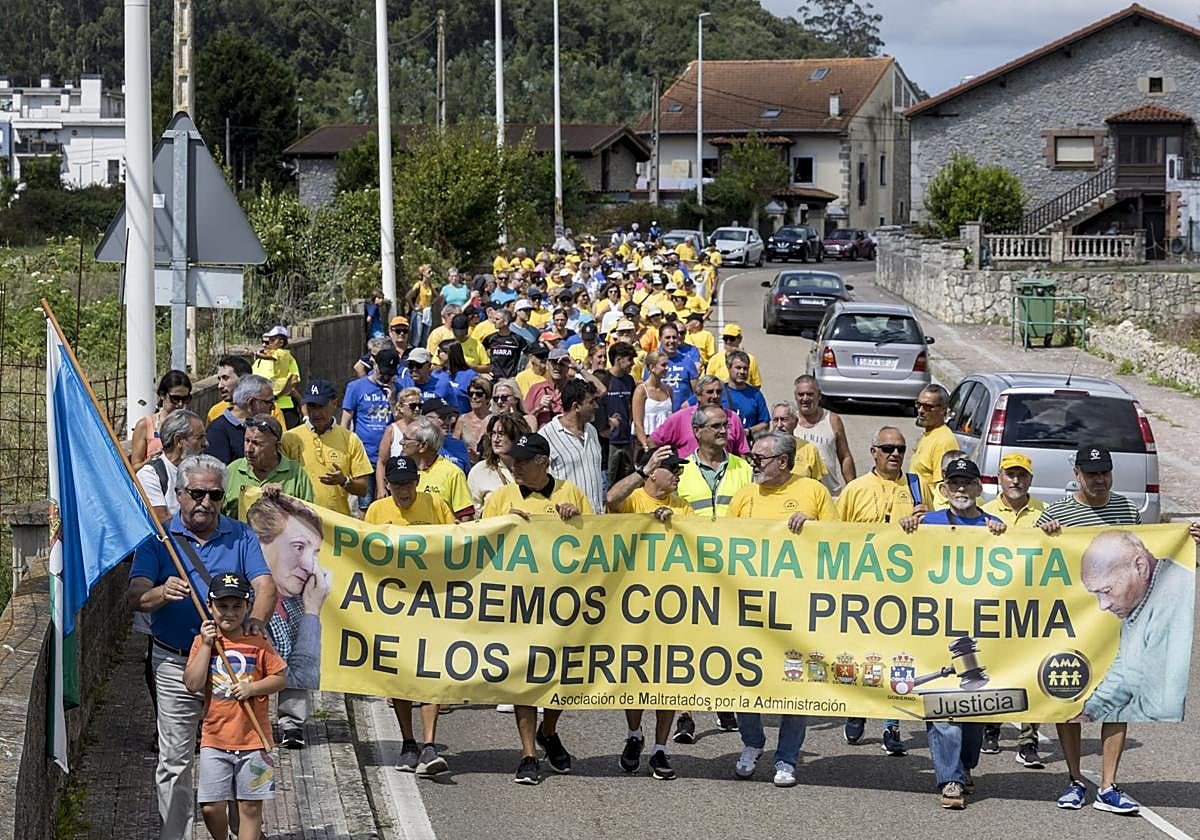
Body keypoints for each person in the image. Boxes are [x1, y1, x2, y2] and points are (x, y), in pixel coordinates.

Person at [127, 454, 276, 840]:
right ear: (179, 495)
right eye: (196, 494)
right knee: (175, 760)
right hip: (176, 662)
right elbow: (136, 593)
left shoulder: (241, 535)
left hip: (232, 665)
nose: (205, 503)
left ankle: (240, 832)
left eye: (213, 495)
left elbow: (263, 584)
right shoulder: (158, 538)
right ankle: (174, 836)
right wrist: (160, 592)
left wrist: (255, 624)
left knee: (238, 751)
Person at [1035, 445, 1145, 815]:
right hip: (1070, 624)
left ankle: (1109, 785)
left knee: (1117, 702)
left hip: (1115, 625)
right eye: (1091, 473)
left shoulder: (1127, 510)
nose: (1099, 480)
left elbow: (1148, 555)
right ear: (1077, 475)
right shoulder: (1057, 513)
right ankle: (1074, 778)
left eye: (1105, 473)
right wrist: (1045, 534)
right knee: (1070, 699)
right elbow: (1028, 562)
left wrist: (1188, 538)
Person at [481, 433, 591, 785]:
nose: (516, 465)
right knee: (525, 681)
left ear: (544, 462)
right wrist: (501, 526)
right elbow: (479, 545)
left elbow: (599, 542)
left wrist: (576, 521)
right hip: (519, 604)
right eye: (514, 459)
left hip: (562, 603)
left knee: (560, 677)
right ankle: (529, 754)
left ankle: (549, 729)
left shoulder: (571, 493)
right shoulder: (501, 497)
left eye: (524, 460)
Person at [728, 432, 835, 787]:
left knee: (796, 684)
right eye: (753, 457)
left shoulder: (814, 493)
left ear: (783, 462)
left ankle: (787, 758)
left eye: (760, 458)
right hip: (751, 607)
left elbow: (841, 545)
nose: (753, 463)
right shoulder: (745, 495)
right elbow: (723, 541)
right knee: (745, 680)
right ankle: (752, 742)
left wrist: (813, 527)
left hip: (798, 608)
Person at [903, 457, 1003, 810]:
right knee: (943, 709)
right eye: (954, 483)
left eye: (968, 483)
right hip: (933, 630)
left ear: (979, 488)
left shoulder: (996, 527)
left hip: (978, 632)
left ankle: (963, 766)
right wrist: (903, 529)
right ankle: (949, 781)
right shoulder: (925, 523)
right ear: (943, 489)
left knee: (972, 711)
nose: (961, 489)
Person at [835, 426, 928, 756]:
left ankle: (892, 724)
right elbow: (834, 536)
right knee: (860, 655)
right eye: (887, 448)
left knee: (897, 659)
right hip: (861, 590)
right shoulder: (856, 489)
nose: (895, 454)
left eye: (901, 449)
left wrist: (926, 519)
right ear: (873, 451)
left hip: (902, 591)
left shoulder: (918, 487)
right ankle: (857, 710)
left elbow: (937, 536)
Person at [365, 455, 455, 776]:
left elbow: (457, 544)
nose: (403, 490)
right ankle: (408, 742)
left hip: (431, 602)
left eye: (408, 483)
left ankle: (430, 745)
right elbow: (365, 555)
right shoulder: (376, 511)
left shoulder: (436, 505)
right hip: (393, 606)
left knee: (430, 670)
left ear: (417, 482)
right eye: (397, 484)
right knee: (400, 674)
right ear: (387, 484)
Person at [606, 446, 691, 781]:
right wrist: (641, 471)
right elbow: (611, 501)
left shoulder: (683, 506)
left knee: (667, 678)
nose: (677, 475)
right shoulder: (636, 498)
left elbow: (703, 541)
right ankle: (634, 733)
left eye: (679, 470)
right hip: (636, 603)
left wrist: (675, 527)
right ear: (654, 471)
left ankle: (660, 748)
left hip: (672, 604)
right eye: (671, 469)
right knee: (636, 674)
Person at [183, 571, 286, 840]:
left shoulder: (258, 642)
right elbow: (192, 684)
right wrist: (207, 644)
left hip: (254, 740)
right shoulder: (203, 642)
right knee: (210, 807)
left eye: (237, 606)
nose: (229, 613)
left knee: (250, 808)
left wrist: (253, 688)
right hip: (215, 740)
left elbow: (279, 678)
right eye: (222, 606)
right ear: (210, 606)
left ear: (247, 607)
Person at [245, 494, 330, 749]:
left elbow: (304, 672)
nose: (308, 564)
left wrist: (311, 612)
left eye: (313, 552)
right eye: (298, 547)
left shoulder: (298, 599)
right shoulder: (240, 599)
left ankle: (291, 723)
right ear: (262, 541)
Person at [979, 452, 1047, 765]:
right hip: (993, 603)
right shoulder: (985, 512)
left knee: (1030, 672)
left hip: (1030, 605)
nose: (1015, 480)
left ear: (1030, 479)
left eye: (1021, 475)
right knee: (992, 668)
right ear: (1000, 478)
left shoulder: (1044, 514)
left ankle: (1028, 739)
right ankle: (990, 727)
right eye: (1010, 474)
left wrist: (1055, 535)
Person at [281, 379, 373, 516]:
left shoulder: (350, 439)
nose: (316, 413)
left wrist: (344, 481)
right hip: (300, 522)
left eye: (321, 406)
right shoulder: (289, 438)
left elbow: (363, 489)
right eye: (311, 406)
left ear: (334, 404)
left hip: (336, 524)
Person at [222, 414, 315, 519]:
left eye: (257, 444)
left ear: (277, 447)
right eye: (247, 441)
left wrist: (282, 500)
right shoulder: (232, 471)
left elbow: (310, 518)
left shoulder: (295, 474)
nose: (249, 449)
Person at [540, 378, 605, 514]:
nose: (596, 407)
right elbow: (539, 482)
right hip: (566, 524)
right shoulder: (546, 435)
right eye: (591, 402)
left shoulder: (592, 431)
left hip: (596, 522)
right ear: (576, 406)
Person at [651, 375, 750, 458]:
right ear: (698, 395)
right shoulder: (680, 418)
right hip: (690, 477)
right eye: (710, 392)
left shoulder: (733, 418)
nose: (715, 396)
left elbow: (742, 452)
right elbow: (653, 441)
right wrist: (666, 466)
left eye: (719, 392)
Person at [396, 417, 474, 521]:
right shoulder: (400, 470)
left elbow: (465, 516)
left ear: (423, 446)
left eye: (406, 439)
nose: (401, 442)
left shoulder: (452, 473)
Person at [137, 409, 207, 522]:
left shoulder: (200, 471)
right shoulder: (150, 475)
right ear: (178, 440)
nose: (206, 444)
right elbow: (163, 523)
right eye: (199, 438)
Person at [792, 374, 855, 494]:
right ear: (795, 396)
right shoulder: (789, 421)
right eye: (801, 394)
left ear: (819, 395)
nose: (805, 398)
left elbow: (845, 456)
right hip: (797, 494)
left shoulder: (832, 420)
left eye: (810, 394)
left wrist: (852, 489)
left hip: (829, 493)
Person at [132, 370, 193, 471]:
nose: (180, 404)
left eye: (186, 399)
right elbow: (134, 468)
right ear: (162, 395)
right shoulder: (145, 425)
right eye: (175, 398)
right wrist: (151, 461)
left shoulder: (192, 425)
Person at [207, 375, 275, 465]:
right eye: (269, 402)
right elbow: (218, 472)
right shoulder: (217, 431)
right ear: (251, 402)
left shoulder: (262, 425)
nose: (273, 407)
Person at [467, 414, 528, 513]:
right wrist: (502, 513)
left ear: (517, 436)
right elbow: (474, 516)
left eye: (501, 433)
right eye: (493, 434)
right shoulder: (480, 471)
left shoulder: (534, 467)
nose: (495, 439)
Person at [597, 342, 638, 486]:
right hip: (608, 442)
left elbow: (631, 406)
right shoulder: (603, 379)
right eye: (630, 360)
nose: (632, 364)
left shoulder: (629, 380)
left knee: (627, 483)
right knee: (608, 482)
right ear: (619, 359)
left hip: (626, 440)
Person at [912, 384, 959, 497]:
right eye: (918, 405)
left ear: (943, 409)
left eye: (928, 407)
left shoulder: (943, 441)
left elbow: (943, 488)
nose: (921, 411)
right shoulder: (929, 434)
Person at [765, 402, 827, 481]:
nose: (779, 425)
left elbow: (817, 483)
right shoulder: (763, 448)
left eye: (784, 419)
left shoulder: (809, 449)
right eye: (775, 420)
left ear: (795, 422)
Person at [254, 326, 301, 429]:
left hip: (284, 407)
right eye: (264, 342)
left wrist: (277, 395)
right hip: (263, 409)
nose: (265, 345)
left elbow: (293, 381)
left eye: (269, 342)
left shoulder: (287, 358)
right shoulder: (258, 362)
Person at [632, 350, 674, 451]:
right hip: (647, 442)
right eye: (663, 365)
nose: (667, 368)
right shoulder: (641, 390)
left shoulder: (668, 390)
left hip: (666, 442)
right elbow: (638, 423)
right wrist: (646, 446)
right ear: (652, 367)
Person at [722, 350, 770, 436]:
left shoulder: (755, 394)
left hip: (747, 445)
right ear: (728, 367)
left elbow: (765, 423)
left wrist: (748, 431)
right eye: (738, 368)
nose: (742, 372)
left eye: (745, 368)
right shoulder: (718, 392)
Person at [455, 375, 493, 462]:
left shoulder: (495, 420)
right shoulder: (462, 420)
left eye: (479, 394)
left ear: (487, 397)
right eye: (471, 394)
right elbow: (455, 446)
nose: (474, 397)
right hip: (467, 465)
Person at [482, 309, 527, 380]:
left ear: (505, 322)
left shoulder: (518, 339)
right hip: (493, 379)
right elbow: (481, 357)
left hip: (511, 379)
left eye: (497, 319)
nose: (494, 321)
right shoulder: (489, 339)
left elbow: (527, 357)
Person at [406, 263, 435, 349]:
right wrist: (415, 309)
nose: (431, 273)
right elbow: (408, 296)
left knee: (425, 337)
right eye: (429, 272)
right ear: (423, 273)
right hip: (419, 312)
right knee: (417, 337)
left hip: (427, 312)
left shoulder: (429, 285)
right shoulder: (418, 284)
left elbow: (438, 296)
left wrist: (431, 304)